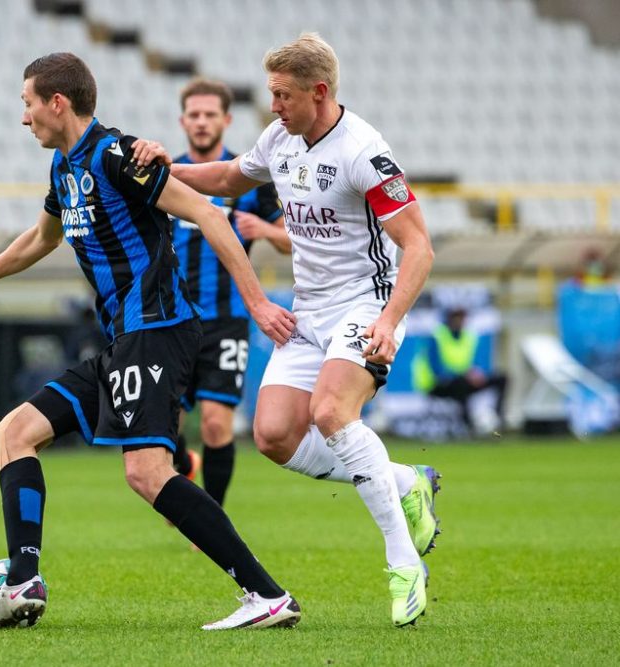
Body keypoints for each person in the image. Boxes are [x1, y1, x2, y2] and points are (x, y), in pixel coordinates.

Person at [0, 52, 301, 631]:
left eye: (27, 103)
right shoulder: (64, 169)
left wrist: (258, 302)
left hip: (157, 328)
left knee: (146, 473)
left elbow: (209, 216)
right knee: (11, 434)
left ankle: (267, 596)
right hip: (123, 340)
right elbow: (40, 239)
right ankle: (23, 581)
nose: (23, 117)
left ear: (57, 103)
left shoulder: (117, 157)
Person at [132, 33, 440, 627]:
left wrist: (388, 319)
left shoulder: (364, 152)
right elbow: (228, 178)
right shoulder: (280, 138)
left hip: (362, 305)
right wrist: (167, 167)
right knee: (272, 435)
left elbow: (418, 246)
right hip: (308, 311)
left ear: (318, 92)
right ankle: (405, 479)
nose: (272, 105)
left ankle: (404, 562)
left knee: (331, 412)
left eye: (282, 95)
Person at [167, 78, 291, 510]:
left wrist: (268, 231)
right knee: (164, 428)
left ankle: (210, 517)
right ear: (183, 121)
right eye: (194, 115)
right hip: (172, 318)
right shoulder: (168, 177)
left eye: (209, 115)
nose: (201, 123)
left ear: (226, 119)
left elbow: (299, 238)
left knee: (218, 424)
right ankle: (184, 464)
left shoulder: (249, 179)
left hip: (228, 316)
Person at [414, 306, 508, 434]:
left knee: (502, 378)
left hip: (462, 380)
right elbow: (437, 369)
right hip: (437, 385)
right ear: (449, 319)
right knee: (461, 384)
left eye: (462, 318)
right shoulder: (437, 336)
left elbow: (473, 363)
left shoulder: (468, 337)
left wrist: (476, 374)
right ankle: (469, 426)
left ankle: (498, 419)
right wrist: (464, 374)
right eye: (456, 318)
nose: (460, 321)